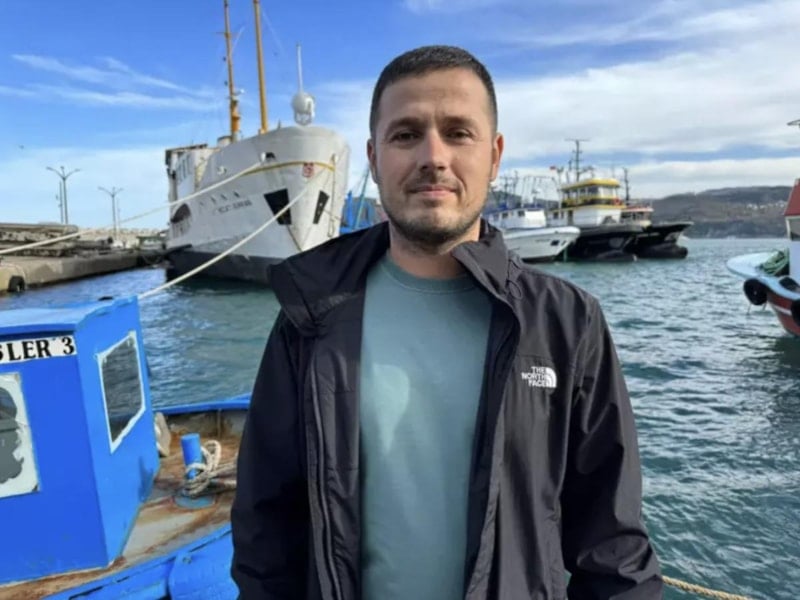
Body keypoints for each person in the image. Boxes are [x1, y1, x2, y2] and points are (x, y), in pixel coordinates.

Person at [231, 45, 663, 599]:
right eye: (406, 134)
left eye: (458, 133)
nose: (433, 156)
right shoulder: (309, 316)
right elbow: (266, 525)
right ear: (374, 157)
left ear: (494, 155)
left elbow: (613, 547)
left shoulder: (568, 324)